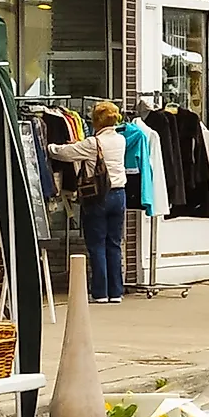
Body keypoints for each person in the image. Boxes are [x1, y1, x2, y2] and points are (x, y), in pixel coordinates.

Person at [48, 100, 130, 302]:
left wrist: (48, 147)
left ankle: (100, 292)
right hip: (119, 195)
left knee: (96, 244)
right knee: (114, 244)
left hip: (98, 196)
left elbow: (64, 153)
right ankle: (116, 292)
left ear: (96, 121)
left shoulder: (93, 143)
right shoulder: (121, 140)